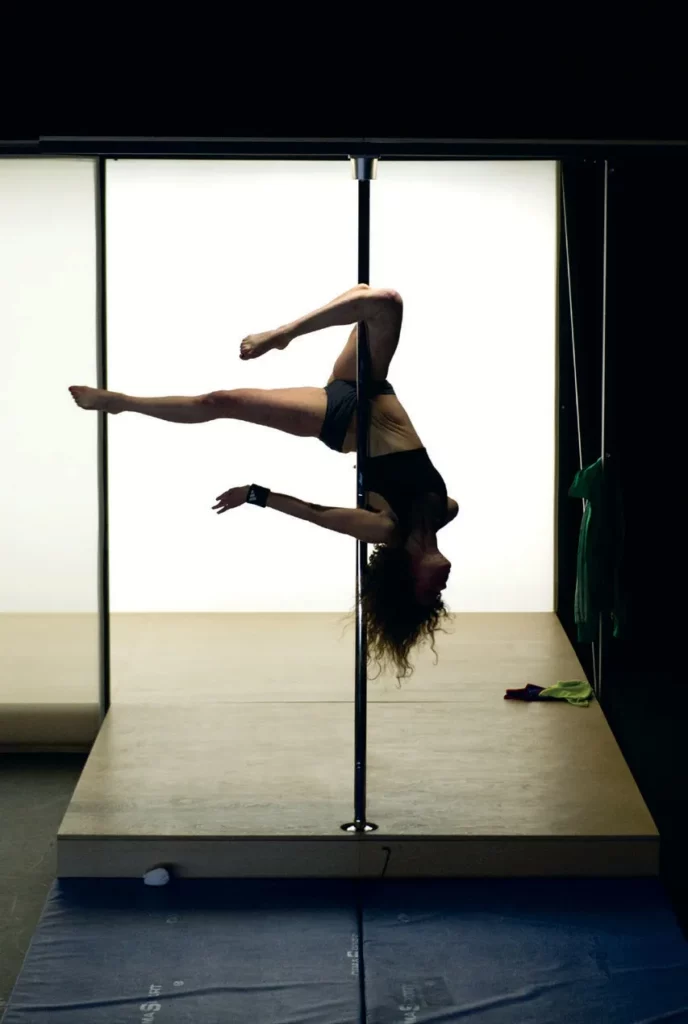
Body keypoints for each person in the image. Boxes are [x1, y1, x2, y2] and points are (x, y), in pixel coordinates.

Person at [69, 284, 459, 682]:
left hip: (340, 419)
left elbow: (314, 513)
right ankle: (284, 334)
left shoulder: (385, 528)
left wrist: (254, 495)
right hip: (370, 387)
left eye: (430, 591)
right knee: (376, 299)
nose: (442, 585)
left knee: (220, 402)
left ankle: (120, 403)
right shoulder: (446, 510)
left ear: (407, 577)